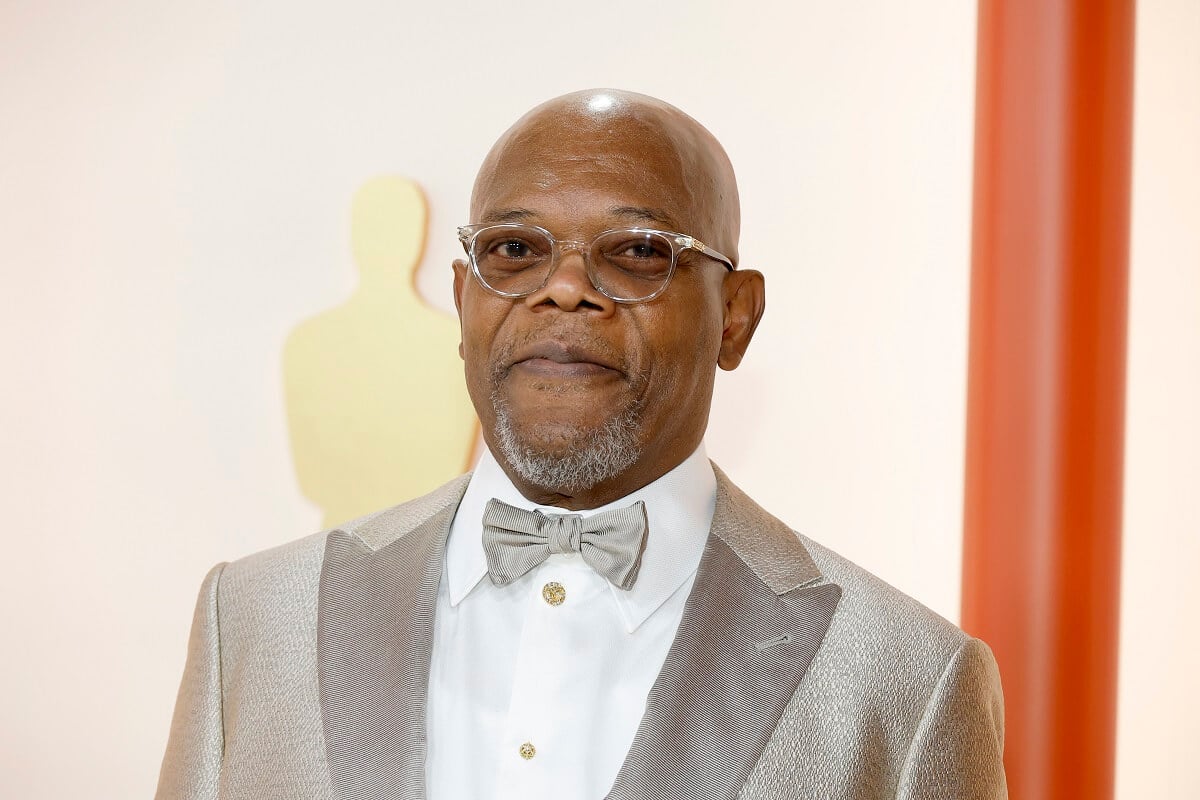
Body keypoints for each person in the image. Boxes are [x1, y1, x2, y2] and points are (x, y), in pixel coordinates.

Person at [156, 89, 1006, 800]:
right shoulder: (253, 620)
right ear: (463, 302)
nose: (563, 288)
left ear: (735, 317)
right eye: (515, 250)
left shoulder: (909, 683)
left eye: (637, 252)